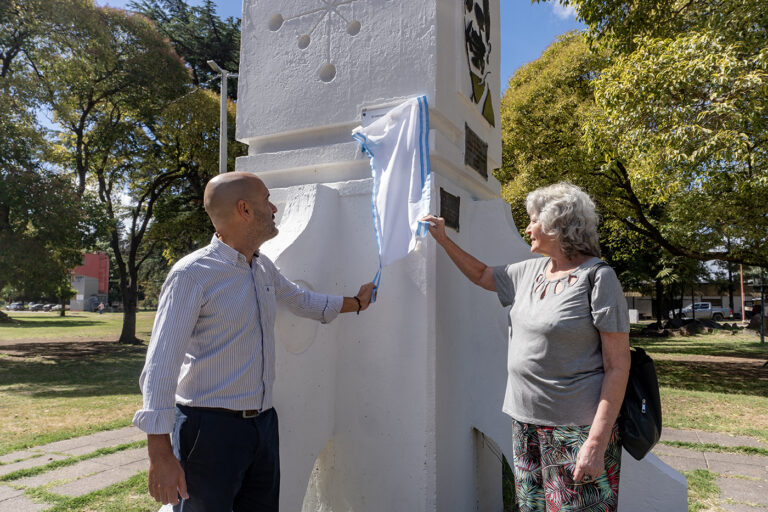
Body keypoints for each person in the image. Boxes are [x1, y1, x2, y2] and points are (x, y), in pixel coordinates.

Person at [133, 172, 375, 511]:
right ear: (244, 209)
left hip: (263, 426)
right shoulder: (191, 274)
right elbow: (160, 367)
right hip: (209, 432)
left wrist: (358, 302)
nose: (274, 207)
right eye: (267, 200)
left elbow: (303, 300)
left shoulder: (263, 268)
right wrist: (160, 454)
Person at [422, 182, 630, 511]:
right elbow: (480, 275)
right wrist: (444, 240)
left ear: (557, 224)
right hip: (525, 422)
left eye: (533, 219)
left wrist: (596, 441)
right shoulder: (529, 272)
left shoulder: (598, 278)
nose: (528, 227)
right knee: (531, 508)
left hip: (575, 430)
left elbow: (618, 366)